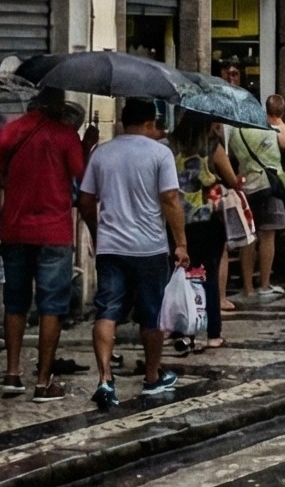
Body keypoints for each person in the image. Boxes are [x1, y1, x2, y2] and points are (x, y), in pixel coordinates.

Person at [79, 98, 188, 409]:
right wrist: (181, 243)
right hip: (150, 248)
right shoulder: (160, 153)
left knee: (107, 311)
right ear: (150, 123)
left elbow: (86, 201)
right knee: (152, 313)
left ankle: (105, 379)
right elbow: (169, 199)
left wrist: (98, 232)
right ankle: (152, 377)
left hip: (111, 247)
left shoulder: (102, 153)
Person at [0, 88, 89, 402]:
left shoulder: (11, 131)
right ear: (56, 107)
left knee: (15, 302)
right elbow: (82, 177)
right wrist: (86, 145)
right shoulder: (65, 136)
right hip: (54, 232)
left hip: (14, 229)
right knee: (52, 306)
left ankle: (12, 374)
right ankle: (42, 382)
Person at [168, 112, 239, 351]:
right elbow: (231, 180)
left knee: (182, 275)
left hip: (177, 220)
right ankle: (213, 334)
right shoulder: (212, 145)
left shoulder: (171, 144)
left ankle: (183, 332)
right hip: (207, 220)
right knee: (208, 275)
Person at [228, 104, 285, 301]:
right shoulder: (269, 130)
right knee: (267, 236)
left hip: (246, 187)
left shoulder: (235, 133)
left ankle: (248, 288)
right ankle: (264, 285)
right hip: (268, 186)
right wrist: (277, 118)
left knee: (249, 238)